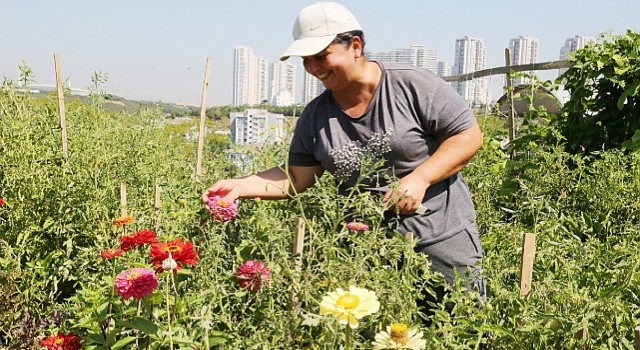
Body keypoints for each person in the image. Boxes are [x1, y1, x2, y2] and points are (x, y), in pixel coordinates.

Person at [202, 1, 485, 322]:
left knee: (461, 327)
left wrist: (420, 178)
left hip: (440, 238)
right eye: (306, 60)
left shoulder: (412, 85)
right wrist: (240, 186)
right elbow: (296, 178)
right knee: (380, 335)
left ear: (355, 46)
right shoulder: (315, 116)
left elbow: (467, 137)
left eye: (322, 56)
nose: (313, 67)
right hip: (367, 251)